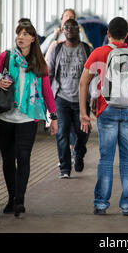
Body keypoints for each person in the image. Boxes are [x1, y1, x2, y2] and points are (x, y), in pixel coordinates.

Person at [79, 17, 128, 216]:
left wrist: (83, 113)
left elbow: (83, 83)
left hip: (107, 110)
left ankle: (101, 204)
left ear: (108, 34)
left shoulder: (99, 52)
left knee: (106, 158)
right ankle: (127, 206)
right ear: (127, 35)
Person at [0, 20, 58, 216]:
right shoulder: (6, 57)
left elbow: (46, 91)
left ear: (33, 38)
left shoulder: (39, 62)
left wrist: (53, 117)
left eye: (26, 34)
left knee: (24, 157)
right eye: (19, 33)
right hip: (5, 116)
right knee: (8, 159)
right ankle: (11, 197)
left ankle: (20, 199)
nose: (21, 37)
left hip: (29, 117)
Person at [47, 19, 92, 179]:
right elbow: (50, 73)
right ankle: (65, 168)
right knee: (62, 132)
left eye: (73, 27)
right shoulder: (57, 49)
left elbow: (94, 75)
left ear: (78, 29)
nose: (70, 30)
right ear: (62, 30)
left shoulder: (86, 49)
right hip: (61, 98)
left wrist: (93, 98)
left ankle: (79, 153)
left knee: (83, 133)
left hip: (81, 99)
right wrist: (48, 100)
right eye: (66, 27)